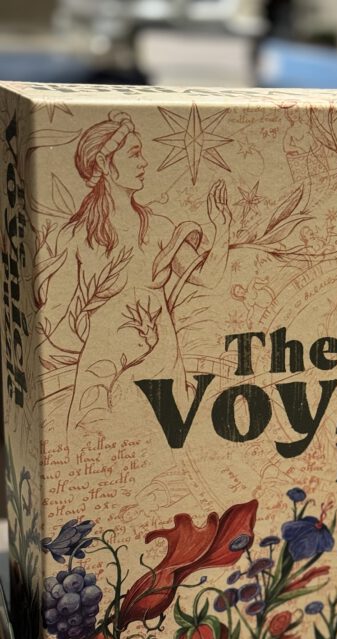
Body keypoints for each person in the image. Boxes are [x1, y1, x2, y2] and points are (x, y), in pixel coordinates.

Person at [35, 111, 232, 433]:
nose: (144, 163)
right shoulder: (75, 238)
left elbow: (207, 277)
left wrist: (222, 229)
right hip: (103, 366)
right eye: (135, 154)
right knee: (96, 433)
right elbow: (54, 324)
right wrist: (114, 337)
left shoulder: (159, 228)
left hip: (162, 359)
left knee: (165, 437)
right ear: (105, 163)